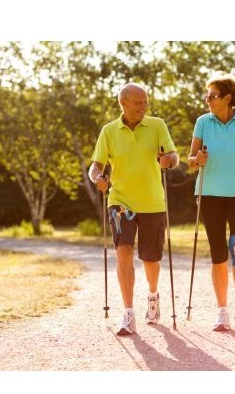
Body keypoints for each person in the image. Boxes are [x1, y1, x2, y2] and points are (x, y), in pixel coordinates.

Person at [89, 83, 179, 336]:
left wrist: (169, 160)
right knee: (123, 251)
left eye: (145, 101)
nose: (144, 106)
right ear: (124, 104)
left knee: (151, 259)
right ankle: (128, 313)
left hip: (152, 202)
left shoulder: (157, 125)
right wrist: (98, 178)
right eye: (138, 102)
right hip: (120, 202)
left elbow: (174, 155)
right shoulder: (109, 131)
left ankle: (152, 295)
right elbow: (95, 166)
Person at [187, 73, 235, 331]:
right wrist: (197, 160)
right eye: (207, 96)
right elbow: (190, 161)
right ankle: (222, 311)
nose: (207, 99)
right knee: (218, 253)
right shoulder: (203, 122)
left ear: (228, 98)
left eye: (212, 96)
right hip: (209, 194)